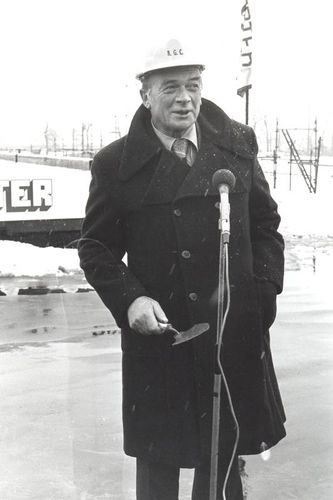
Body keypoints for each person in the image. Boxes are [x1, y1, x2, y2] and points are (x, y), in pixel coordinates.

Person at [78, 39, 286, 500]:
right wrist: (130, 297)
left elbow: (266, 225)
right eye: (169, 87)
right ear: (145, 95)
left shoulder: (236, 144)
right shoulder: (115, 165)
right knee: (160, 467)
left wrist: (264, 291)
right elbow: (95, 247)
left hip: (229, 334)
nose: (184, 98)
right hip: (162, 339)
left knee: (224, 463)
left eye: (193, 85)